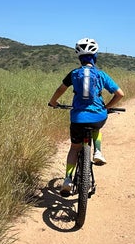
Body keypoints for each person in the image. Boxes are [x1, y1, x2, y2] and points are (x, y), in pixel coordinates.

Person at [48, 38, 125, 194]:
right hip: (98, 117)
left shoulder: (74, 74)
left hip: (77, 119)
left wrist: (53, 102)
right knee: (97, 126)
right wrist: (106, 107)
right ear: (94, 57)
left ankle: (68, 180)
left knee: (74, 148)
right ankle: (98, 151)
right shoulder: (101, 75)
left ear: (79, 58)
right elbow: (120, 94)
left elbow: (60, 89)